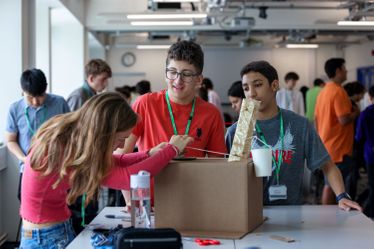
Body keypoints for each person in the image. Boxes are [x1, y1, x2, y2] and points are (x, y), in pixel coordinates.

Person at [19, 92, 193, 248]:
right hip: (47, 237)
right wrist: (172, 150)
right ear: (103, 132)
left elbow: (115, 161)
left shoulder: (70, 137)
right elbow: (127, 178)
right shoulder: (65, 149)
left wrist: (149, 153)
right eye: (120, 138)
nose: (123, 145)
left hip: (49, 230)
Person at [225, 60, 361, 211]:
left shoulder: (299, 125)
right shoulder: (238, 131)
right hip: (250, 213)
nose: (252, 93)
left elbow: (328, 166)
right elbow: (229, 179)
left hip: (292, 213)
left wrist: (342, 196)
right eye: (246, 88)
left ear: (274, 85)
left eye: (258, 85)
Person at [119, 40, 227, 208]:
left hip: (193, 205)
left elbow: (217, 167)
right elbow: (121, 157)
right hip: (149, 206)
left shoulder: (211, 114)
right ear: (165, 74)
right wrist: (130, 201)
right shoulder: (145, 104)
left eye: (186, 74)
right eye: (173, 72)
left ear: (199, 80)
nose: (178, 80)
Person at [5, 68, 70, 201]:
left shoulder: (60, 103)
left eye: (40, 96)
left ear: (46, 88)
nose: (35, 102)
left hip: (56, 168)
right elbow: (10, 140)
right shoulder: (15, 108)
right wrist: (24, 159)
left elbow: (71, 134)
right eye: (30, 97)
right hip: (28, 168)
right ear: (22, 90)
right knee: (27, 204)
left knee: (58, 203)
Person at [315, 58, 360, 205]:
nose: (347, 71)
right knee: (333, 186)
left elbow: (316, 120)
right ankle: (328, 220)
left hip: (327, 145)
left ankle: (327, 219)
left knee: (329, 185)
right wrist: (356, 113)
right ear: (338, 71)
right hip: (339, 149)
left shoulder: (323, 92)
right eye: (344, 68)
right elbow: (343, 119)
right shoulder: (339, 91)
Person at [356, 86, 374, 218]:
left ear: (370, 97)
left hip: (370, 155)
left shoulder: (365, 114)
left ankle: (366, 213)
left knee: (372, 185)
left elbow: (359, 137)